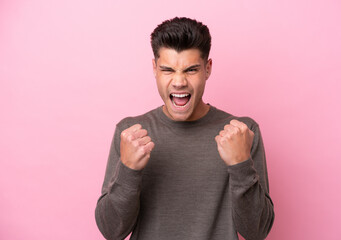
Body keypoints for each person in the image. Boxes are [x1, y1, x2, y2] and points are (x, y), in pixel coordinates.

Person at [95, 17, 274, 240]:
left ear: (207, 69)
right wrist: (128, 171)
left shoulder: (242, 132)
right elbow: (111, 231)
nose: (179, 82)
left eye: (191, 70)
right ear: (155, 69)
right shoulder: (130, 133)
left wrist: (241, 166)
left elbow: (256, 232)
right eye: (168, 70)